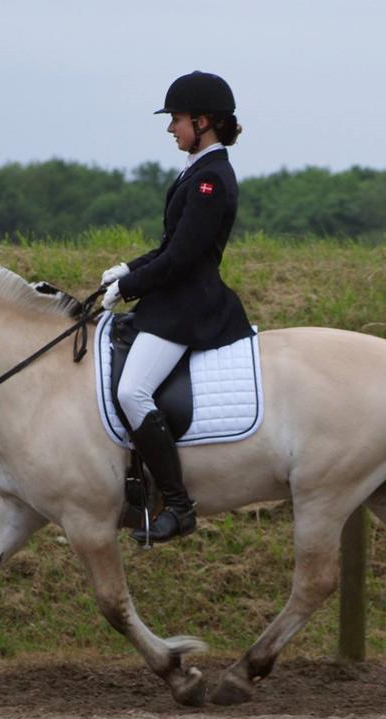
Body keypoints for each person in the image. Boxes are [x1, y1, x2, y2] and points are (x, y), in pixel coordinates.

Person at [100, 70, 254, 544]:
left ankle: (179, 505)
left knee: (132, 393)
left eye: (177, 119)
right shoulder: (197, 171)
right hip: (172, 299)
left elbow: (185, 257)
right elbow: (169, 246)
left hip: (190, 306)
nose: (171, 128)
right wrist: (128, 267)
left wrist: (130, 286)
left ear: (203, 121)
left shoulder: (211, 179)